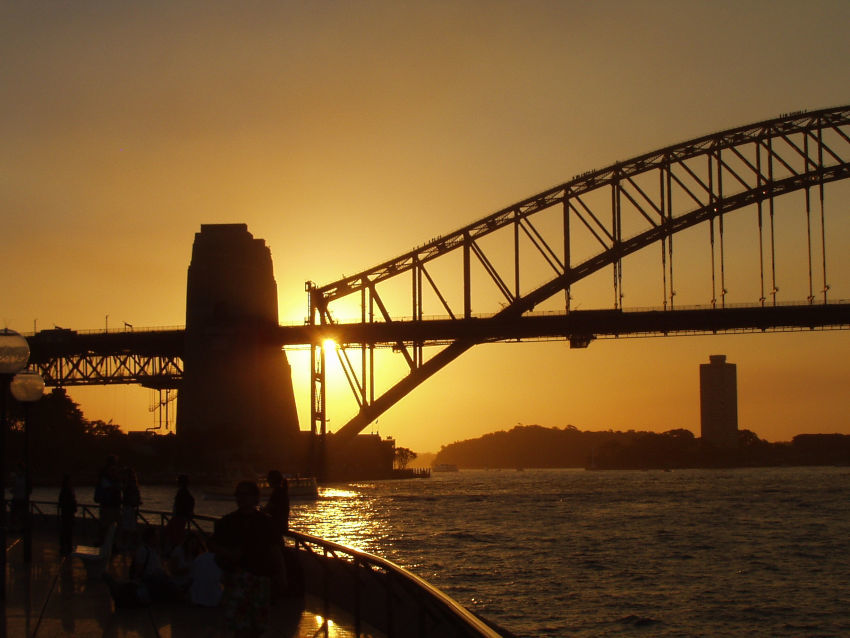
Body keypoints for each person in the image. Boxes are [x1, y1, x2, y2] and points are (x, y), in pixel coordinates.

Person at [209, 480, 284, 637]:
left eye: (246, 494)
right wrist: (229, 553)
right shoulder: (227, 523)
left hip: (260, 579)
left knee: (257, 627)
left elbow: (275, 549)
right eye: (239, 494)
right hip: (236, 578)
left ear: (255, 497)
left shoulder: (266, 522)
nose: (242, 498)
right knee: (238, 626)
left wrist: (281, 576)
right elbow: (213, 546)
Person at [94, 455, 122, 544]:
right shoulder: (107, 476)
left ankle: (107, 543)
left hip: (109, 505)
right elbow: (112, 488)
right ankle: (107, 544)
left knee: (107, 526)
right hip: (110, 505)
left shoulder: (104, 475)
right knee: (108, 526)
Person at [166, 474, 195, 552]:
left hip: (179, 517)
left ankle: (175, 552)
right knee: (174, 535)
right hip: (179, 516)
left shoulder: (182, 492)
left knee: (175, 536)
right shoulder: (184, 492)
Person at [120, 467, 142, 550]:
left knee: (127, 527)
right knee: (131, 528)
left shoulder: (127, 484)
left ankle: (126, 544)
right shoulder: (133, 485)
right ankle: (131, 544)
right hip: (131, 507)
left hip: (128, 507)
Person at [263, 470, 289, 536]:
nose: (267, 481)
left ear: (272, 480)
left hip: (276, 528)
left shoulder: (277, 492)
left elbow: (268, 509)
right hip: (282, 526)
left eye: (268, 479)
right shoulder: (282, 491)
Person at [58, 473, 77, 555]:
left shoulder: (65, 490)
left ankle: (66, 546)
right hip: (68, 513)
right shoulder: (68, 490)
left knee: (66, 530)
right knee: (67, 530)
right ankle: (67, 546)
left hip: (67, 512)